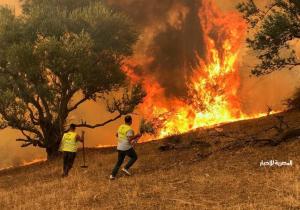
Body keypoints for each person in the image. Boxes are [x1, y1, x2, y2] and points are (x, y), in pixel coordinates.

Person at [110, 115, 141, 180]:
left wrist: (121, 139)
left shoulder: (121, 126)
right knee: (134, 157)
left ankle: (112, 175)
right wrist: (137, 135)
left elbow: (116, 135)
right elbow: (130, 139)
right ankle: (125, 168)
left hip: (119, 147)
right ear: (130, 121)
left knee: (119, 162)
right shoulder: (129, 129)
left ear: (125, 121)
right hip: (126, 147)